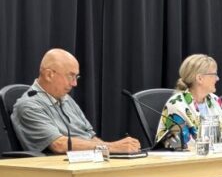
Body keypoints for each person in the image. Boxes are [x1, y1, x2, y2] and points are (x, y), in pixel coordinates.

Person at [12, 48, 141, 154]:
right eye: (71, 76)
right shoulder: (29, 105)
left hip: (88, 162)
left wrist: (112, 154)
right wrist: (112, 148)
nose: (75, 84)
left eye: (76, 77)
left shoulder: (66, 99)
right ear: (49, 75)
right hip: (60, 170)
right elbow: (59, 145)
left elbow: (89, 136)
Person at [155, 54, 222, 147]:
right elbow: (181, 144)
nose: (217, 79)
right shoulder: (177, 104)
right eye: (214, 74)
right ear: (199, 78)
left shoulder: (215, 100)